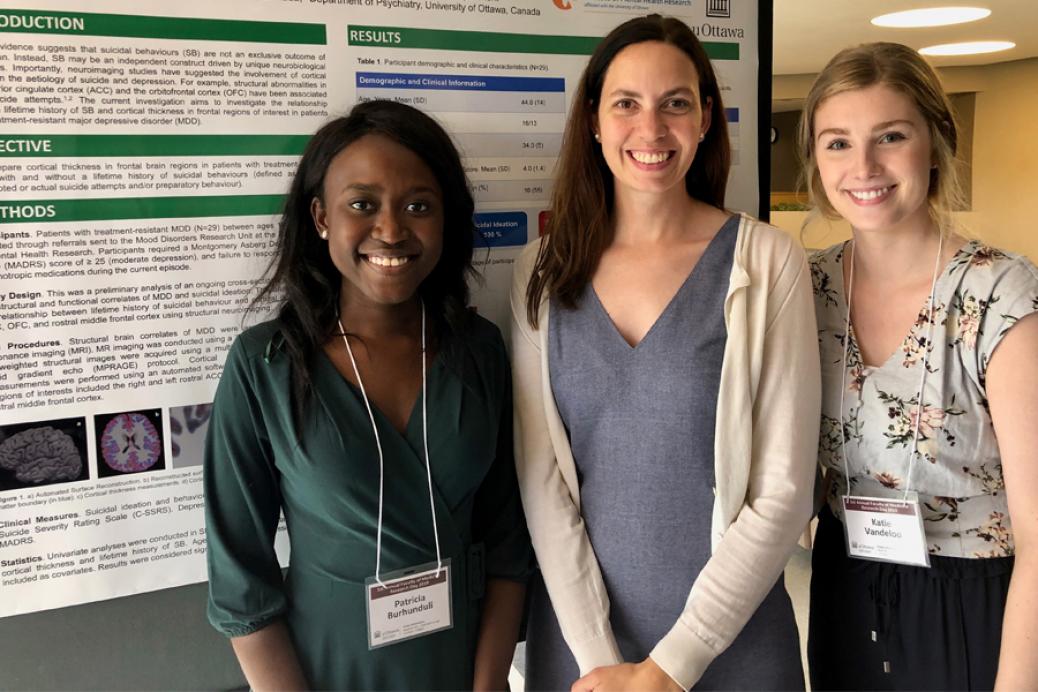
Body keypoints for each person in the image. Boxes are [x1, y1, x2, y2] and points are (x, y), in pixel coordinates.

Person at [510, 14, 821, 691]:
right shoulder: (540, 271)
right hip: (586, 648)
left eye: (675, 103)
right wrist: (600, 659)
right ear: (593, 119)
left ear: (706, 117)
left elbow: (785, 493)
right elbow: (543, 482)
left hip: (732, 642)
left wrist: (669, 670)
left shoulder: (766, 262)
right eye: (626, 104)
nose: (651, 130)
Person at [203, 99, 531, 691]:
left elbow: (508, 543)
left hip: (464, 668)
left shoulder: (479, 351)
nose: (391, 229)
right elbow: (241, 581)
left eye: (418, 206)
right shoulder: (265, 366)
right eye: (362, 204)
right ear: (321, 216)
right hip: (327, 670)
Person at [802, 43, 1038, 691]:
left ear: (935, 144)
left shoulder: (999, 295)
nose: (865, 167)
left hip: (972, 599)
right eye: (838, 143)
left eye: (891, 136)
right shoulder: (805, 288)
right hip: (844, 583)